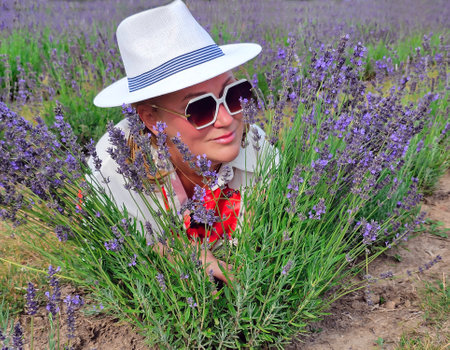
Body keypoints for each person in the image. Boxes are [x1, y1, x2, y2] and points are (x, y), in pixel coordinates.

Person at [90, 0, 277, 284]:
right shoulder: (115, 164)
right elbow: (132, 246)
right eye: (201, 109)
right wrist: (194, 258)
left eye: (234, 94)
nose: (227, 119)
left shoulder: (253, 143)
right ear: (152, 119)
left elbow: (259, 239)